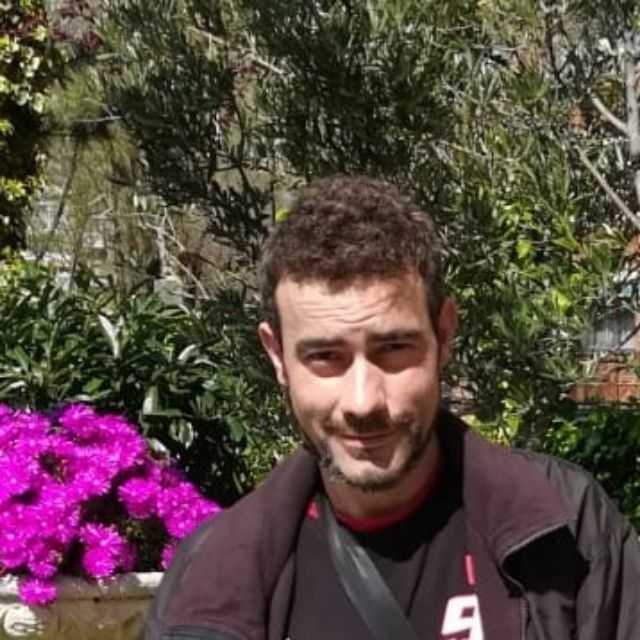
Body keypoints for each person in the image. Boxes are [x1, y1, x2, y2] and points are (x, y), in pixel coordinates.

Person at [145, 176, 640, 640]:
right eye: (325, 357)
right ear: (278, 356)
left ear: (443, 334)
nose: (363, 401)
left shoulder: (567, 532)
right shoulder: (209, 583)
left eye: (394, 349)